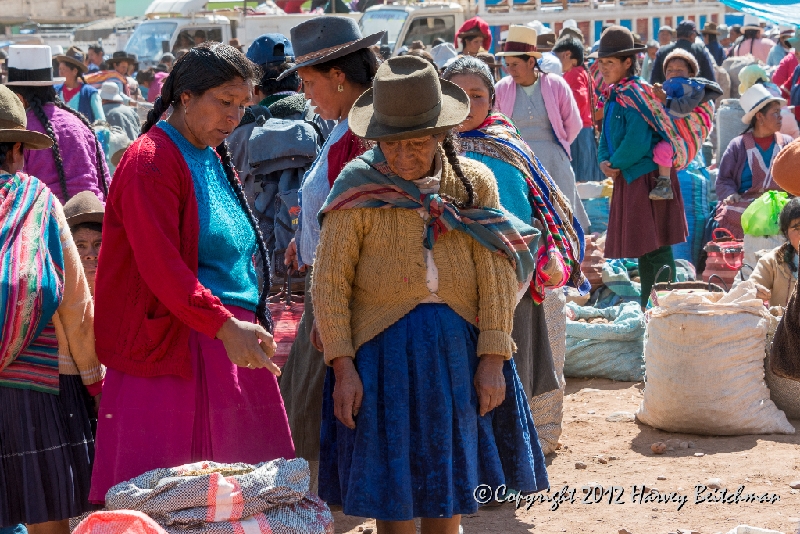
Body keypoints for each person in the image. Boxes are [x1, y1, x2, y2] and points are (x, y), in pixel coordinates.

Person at [314, 55, 548, 533]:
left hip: (457, 352)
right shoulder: (358, 188)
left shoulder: (472, 183)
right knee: (393, 495)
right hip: (381, 354)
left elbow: (496, 273)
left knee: (449, 487)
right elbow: (330, 282)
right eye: (391, 146)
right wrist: (342, 366)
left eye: (417, 144)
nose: (402, 158)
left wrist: (493, 356)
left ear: (442, 135)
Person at [88, 42, 294, 503]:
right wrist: (223, 326)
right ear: (184, 96)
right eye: (225, 102)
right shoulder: (151, 161)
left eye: (242, 105)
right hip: (179, 356)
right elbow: (162, 267)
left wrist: (235, 327)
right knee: (176, 503)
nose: (234, 117)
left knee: (239, 504)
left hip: (225, 344)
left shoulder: (212, 154)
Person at [443, 55, 590, 454]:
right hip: (447, 281)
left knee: (505, 373)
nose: (468, 104)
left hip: (508, 279)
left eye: (477, 95)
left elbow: (517, 221)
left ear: (491, 100)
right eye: (457, 94)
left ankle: (509, 458)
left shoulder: (503, 146)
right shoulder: (427, 146)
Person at [274, 16, 383, 495]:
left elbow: (364, 217)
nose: (305, 91)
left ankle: (330, 497)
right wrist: (306, 235)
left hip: (347, 289)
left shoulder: (365, 130)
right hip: (328, 280)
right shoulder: (343, 124)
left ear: (339, 76)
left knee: (321, 396)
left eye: (310, 81)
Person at [0, 83, 103, 534]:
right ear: (19, 149)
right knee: (47, 517)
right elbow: (76, 302)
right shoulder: (38, 201)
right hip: (36, 387)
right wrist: (94, 378)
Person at [596, 26, 689, 307]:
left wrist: (615, 163)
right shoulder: (614, 94)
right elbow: (604, 135)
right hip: (630, 176)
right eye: (601, 63)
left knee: (657, 246)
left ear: (628, 62)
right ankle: (649, 304)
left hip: (649, 179)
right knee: (645, 249)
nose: (604, 68)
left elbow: (637, 140)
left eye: (610, 63)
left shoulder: (637, 94)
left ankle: (664, 305)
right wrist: (603, 160)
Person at [495, 25, 590, 230]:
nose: (510, 70)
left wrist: (557, 148)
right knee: (526, 222)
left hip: (554, 163)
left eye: (515, 64)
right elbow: (496, 125)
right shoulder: (501, 88)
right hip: (517, 163)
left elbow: (573, 123)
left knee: (561, 222)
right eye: (508, 64)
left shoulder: (556, 84)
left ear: (531, 61)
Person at [6, 45, 109, 204]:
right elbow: (105, 180)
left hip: (46, 221)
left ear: (19, 98)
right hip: (94, 216)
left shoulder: (22, 132)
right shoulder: (80, 123)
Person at [715, 84, 792, 239]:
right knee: (729, 211)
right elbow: (724, 178)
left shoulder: (787, 143)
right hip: (747, 204)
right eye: (775, 113)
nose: (780, 117)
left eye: (780, 112)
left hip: (779, 204)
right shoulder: (738, 145)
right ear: (759, 116)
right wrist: (731, 194)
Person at [649, 49, 722, 200]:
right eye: (669, 70)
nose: (674, 73)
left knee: (663, 150)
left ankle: (664, 185)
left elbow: (681, 111)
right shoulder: (666, 90)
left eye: (679, 70)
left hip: (686, 141)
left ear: (691, 74)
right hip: (673, 137)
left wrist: (664, 99)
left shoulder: (695, 90)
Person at [553, 36, 604, 183]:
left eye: (558, 57)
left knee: (578, 183)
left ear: (567, 54)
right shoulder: (584, 72)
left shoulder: (573, 74)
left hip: (577, 132)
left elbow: (579, 100)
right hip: (586, 132)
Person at [743, 198, 800, 307]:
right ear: (786, 233)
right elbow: (751, 287)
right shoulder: (772, 261)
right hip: (782, 323)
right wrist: (756, 290)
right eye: (797, 228)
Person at [737, 64, 799, 139]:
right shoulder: (772, 87)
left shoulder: (752, 93)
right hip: (788, 117)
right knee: (795, 147)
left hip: (772, 120)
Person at [64, 190, 104, 296]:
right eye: (80, 246)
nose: (91, 255)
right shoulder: (55, 303)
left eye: (98, 244)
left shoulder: (126, 296)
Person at [650, 20, 716, 84]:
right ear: (692, 35)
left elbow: (654, 82)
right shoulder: (700, 50)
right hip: (695, 94)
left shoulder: (662, 51)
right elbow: (710, 81)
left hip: (666, 94)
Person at [55, 46, 105, 123]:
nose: (60, 73)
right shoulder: (55, 91)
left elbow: (101, 123)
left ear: (75, 71)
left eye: (64, 69)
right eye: (60, 69)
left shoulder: (90, 94)